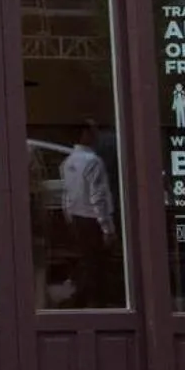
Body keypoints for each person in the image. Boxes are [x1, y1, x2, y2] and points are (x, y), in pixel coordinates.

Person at [60, 120, 118, 308]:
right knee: (96, 263)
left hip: (77, 216)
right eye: (93, 131)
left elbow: (67, 193)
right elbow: (98, 196)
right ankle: (93, 300)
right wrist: (107, 227)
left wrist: (68, 215)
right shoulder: (93, 161)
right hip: (93, 219)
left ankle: (83, 297)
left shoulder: (68, 161)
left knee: (87, 260)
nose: (96, 135)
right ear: (85, 134)